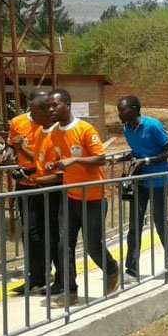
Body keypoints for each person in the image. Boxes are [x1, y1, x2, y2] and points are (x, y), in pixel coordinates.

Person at [45, 89, 119, 307]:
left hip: (93, 197)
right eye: (48, 106)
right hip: (69, 196)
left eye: (54, 106)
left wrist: (73, 161)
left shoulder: (85, 129)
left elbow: (100, 158)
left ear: (67, 104)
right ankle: (70, 292)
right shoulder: (54, 133)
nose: (50, 110)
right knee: (64, 245)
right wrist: (57, 165)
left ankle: (112, 269)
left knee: (92, 246)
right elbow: (63, 160)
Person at [5, 90, 64, 295]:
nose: (30, 115)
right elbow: (38, 161)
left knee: (53, 233)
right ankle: (37, 276)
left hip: (50, 189)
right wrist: (20, 153)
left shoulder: (57, 132)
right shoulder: (34, 129)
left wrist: (35, 177)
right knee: (31, 233)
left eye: (33, 111)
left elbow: (56, 170)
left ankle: (63, 279)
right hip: (29, 186)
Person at [115, 96, 168, 279]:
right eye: (118, 110)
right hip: (140, 182)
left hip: (158, 180)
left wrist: (148, 161)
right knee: (135, 224)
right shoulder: (126, 128)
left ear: (135, 109)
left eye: (123, 110)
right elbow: (137, 152)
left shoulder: (152, 125)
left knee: (159, 221)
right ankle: (131, 270)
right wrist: (121, 159)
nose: (120, 114)